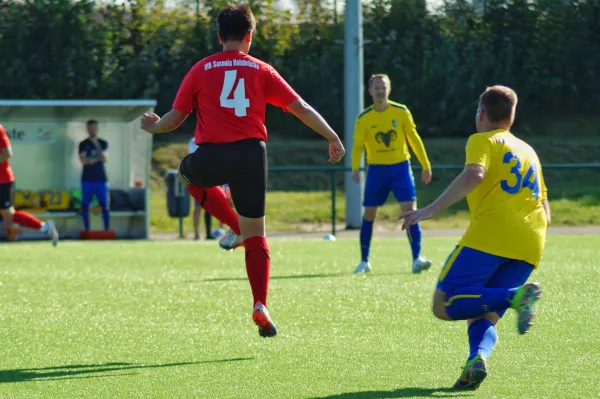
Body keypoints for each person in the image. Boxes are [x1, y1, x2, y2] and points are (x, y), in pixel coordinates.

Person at [140, 3, 344, 338]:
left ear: (220, 36)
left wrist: (155, 126)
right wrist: (332, 137)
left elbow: (175, 119)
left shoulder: (201, 68)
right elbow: (301, 108)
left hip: (212, 155)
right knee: (257, 236)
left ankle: (233, 227)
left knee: (187, 174)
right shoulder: (262, 69)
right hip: (252, 154)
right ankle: (260, 303)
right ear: (249, 36)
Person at [398, 85, 548, 389]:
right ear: (512, 116)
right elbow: (544, 204)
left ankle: (516, 296)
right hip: (532, 240)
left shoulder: (483, 140)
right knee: (483, 309)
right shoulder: (528, 150)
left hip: (493, 233)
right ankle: (475, 360)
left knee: (445, 303)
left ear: (481, 114)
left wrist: (431, 209)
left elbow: (474, 174)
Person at [351, 74, 432, 274]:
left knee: (410, 211)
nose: (380, 91)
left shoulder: (401, 112)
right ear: (370, 91)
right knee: (369, 215)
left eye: (383, 87)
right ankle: (364, 261)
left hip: (400, 168)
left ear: (389, 89)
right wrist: (354, 168)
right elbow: (358, 146)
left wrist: (425, 164)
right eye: (376, 87)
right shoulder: (364, 118)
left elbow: (414, 138)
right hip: (376, 170)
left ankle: (416, 258)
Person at [0, 124, 59, 245]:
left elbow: (7, 153)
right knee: (8, 215)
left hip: (2, 180)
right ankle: (45, 228)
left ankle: (45, 227)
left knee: (9, 215)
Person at [78, 120, 110, 231]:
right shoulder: (83, 144)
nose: (92, 130)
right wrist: (97, 159)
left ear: (97, 129)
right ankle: (87, 229)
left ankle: (106, 229)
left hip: (101, 179)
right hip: (87, 179)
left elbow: (105, 159)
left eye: (94, 127)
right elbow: (84, 161)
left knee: (104, 205)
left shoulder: (103, 143)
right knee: (85, 205)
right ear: (87, 129)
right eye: (90, 128)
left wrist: (96, 145)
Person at [188, 137, 216, 240]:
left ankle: (209, 233)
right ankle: (196, 234)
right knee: (198, 206)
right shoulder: (193, 141)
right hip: (198, 177)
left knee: (210, 206)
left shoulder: (212, 140)